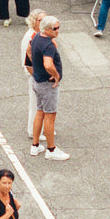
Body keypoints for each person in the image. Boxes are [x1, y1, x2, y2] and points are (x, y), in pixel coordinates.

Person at [28, 15, 68, 160]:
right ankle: (51, 150)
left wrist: (35, 66)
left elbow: (28, 50)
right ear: (46, 29)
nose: (58, 31)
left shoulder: (37, 37)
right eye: (55, 29)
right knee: (50, 116)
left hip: (37, 81)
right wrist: (56, 76)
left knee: (40, 112)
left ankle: (35, 145)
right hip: (46, 84)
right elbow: (48, 64)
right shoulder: (49, 45)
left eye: (58, 27)